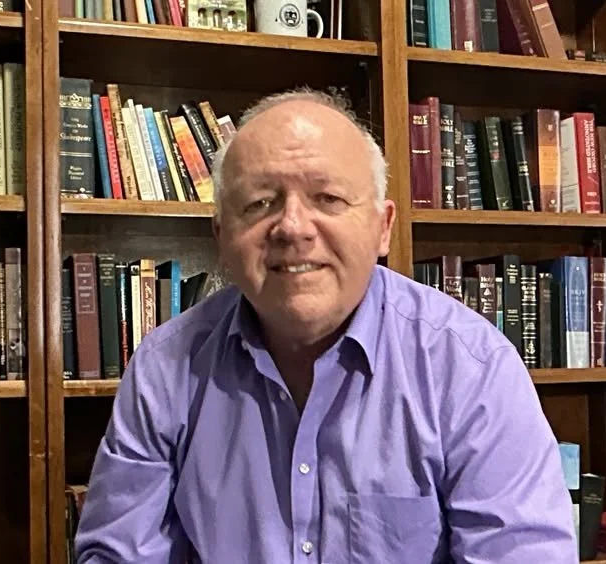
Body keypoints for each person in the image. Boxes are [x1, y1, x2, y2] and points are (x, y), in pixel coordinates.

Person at [73, 88, 578, 563]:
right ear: (222, 236)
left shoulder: (471, 369)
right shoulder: (166, 367)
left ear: (382, 227)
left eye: (328, 199)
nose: (292, 227)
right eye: (260, 203)